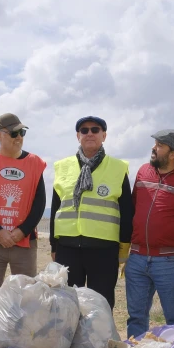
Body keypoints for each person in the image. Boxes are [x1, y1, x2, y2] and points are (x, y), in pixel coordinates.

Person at [125, 129, 174, 338]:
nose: (154, 148)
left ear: (173, 154)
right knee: (136, 318)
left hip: (170, 261)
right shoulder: (143, 171)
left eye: (160, 145)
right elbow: (133, 208)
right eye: (155, 144)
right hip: (137, 258)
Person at [50, 116, 132, 309]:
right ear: (78, 136)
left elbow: (126, 211)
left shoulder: (118, 168)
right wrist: (54, 246)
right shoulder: (62, 167)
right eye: (84, 130)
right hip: (68, 247)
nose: (89, 134)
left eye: (95, 130)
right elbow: (55, 208)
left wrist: (123, 249)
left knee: (101, 304)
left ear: (104, 136)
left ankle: (101, 331)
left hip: (104, 249)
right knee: (67, 304)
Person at [0, 114, 46, 292]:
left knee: (27, 296)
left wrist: (22, 231)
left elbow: (39, 203)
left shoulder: (35, 163)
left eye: (22, 132)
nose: (19, 137)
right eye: (14, 133)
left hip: (24, 241)